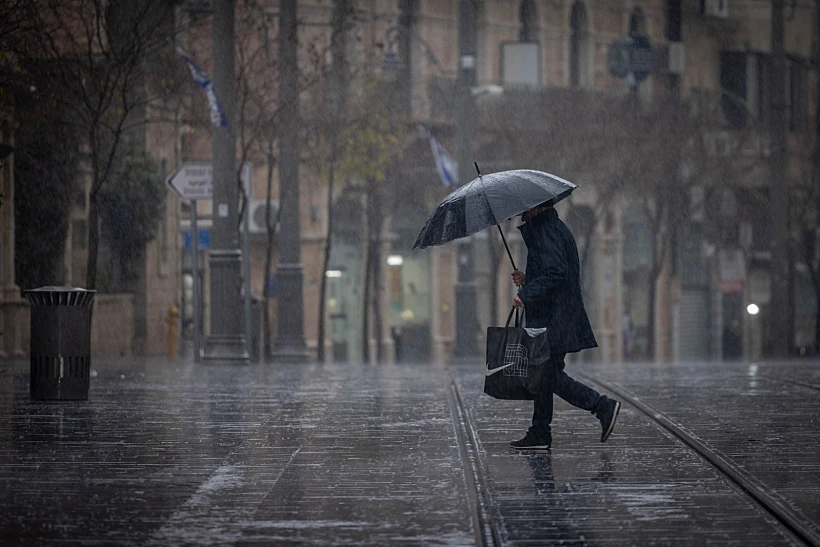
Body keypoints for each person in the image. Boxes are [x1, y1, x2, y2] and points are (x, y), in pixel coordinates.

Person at [509, 201, 621, 450]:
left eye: (525, 210)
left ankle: (602, 406)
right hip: (556, 316)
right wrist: (527, 281)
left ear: (537, 208)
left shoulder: (547, 231)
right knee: (543, 375)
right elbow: (552, 272)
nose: (523, 215)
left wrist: (526, 295)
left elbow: (556, 273)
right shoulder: (551, 228)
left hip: (555, 319)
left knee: (549, 376)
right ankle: (540, 431)